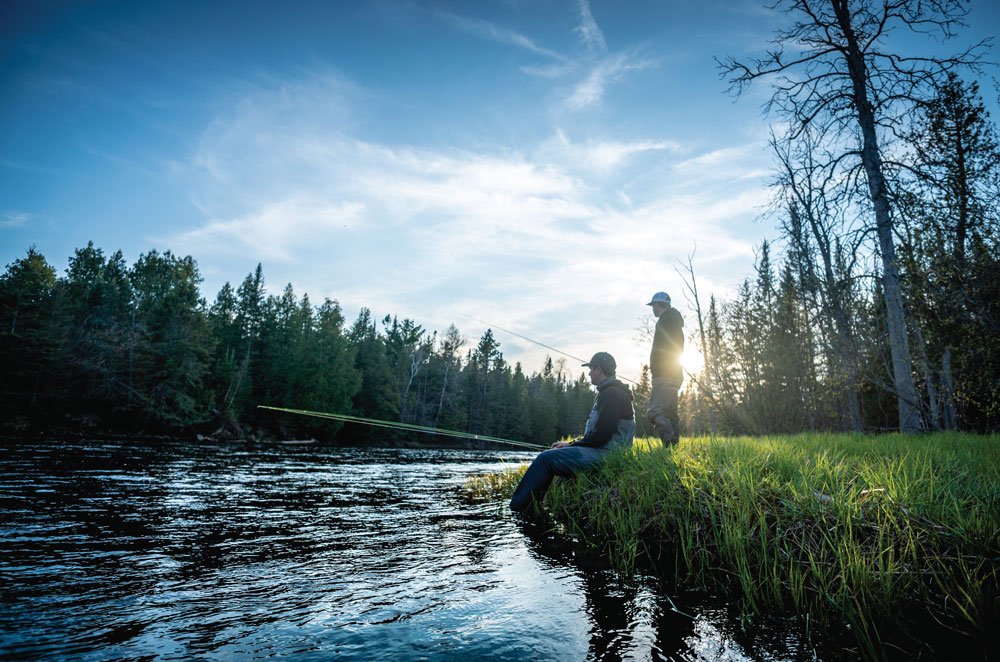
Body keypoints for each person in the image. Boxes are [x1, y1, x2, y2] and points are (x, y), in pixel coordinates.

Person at [509, 351, 635, 513]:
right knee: (552, 454)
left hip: (607, 456)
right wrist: (569, 445)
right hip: (605, 451)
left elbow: (601, 436)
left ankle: (518, 509)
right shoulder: (611, 392)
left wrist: (571, 444)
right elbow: (600, 434)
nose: (589, 373)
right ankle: (530, 506)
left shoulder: (612, 394)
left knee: (545, 459)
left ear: (598, 370)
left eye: (590, 369)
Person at [646, 291, 684, 446]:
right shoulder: (674, 321)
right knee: (670, 412)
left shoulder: (665, 321)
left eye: (653, 305)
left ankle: (669, 441)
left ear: (658, 305)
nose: (652, 309)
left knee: (654, 411)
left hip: (664, 374)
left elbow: (665, 349)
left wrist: (658, 369)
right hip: (674, 373)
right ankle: (673, 447)